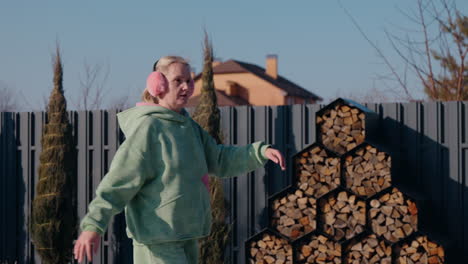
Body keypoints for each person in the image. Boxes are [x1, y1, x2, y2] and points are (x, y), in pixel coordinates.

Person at [73, 56, 286, 264]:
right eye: (178, 81)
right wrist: (94, 225)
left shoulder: (189, 128)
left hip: (186, 235)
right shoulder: (149, 129)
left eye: (189, 80)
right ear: (158, 85)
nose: (186, 86)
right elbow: (120, 180)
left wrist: (259, 152)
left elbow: (219, 159)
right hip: (158, 239)